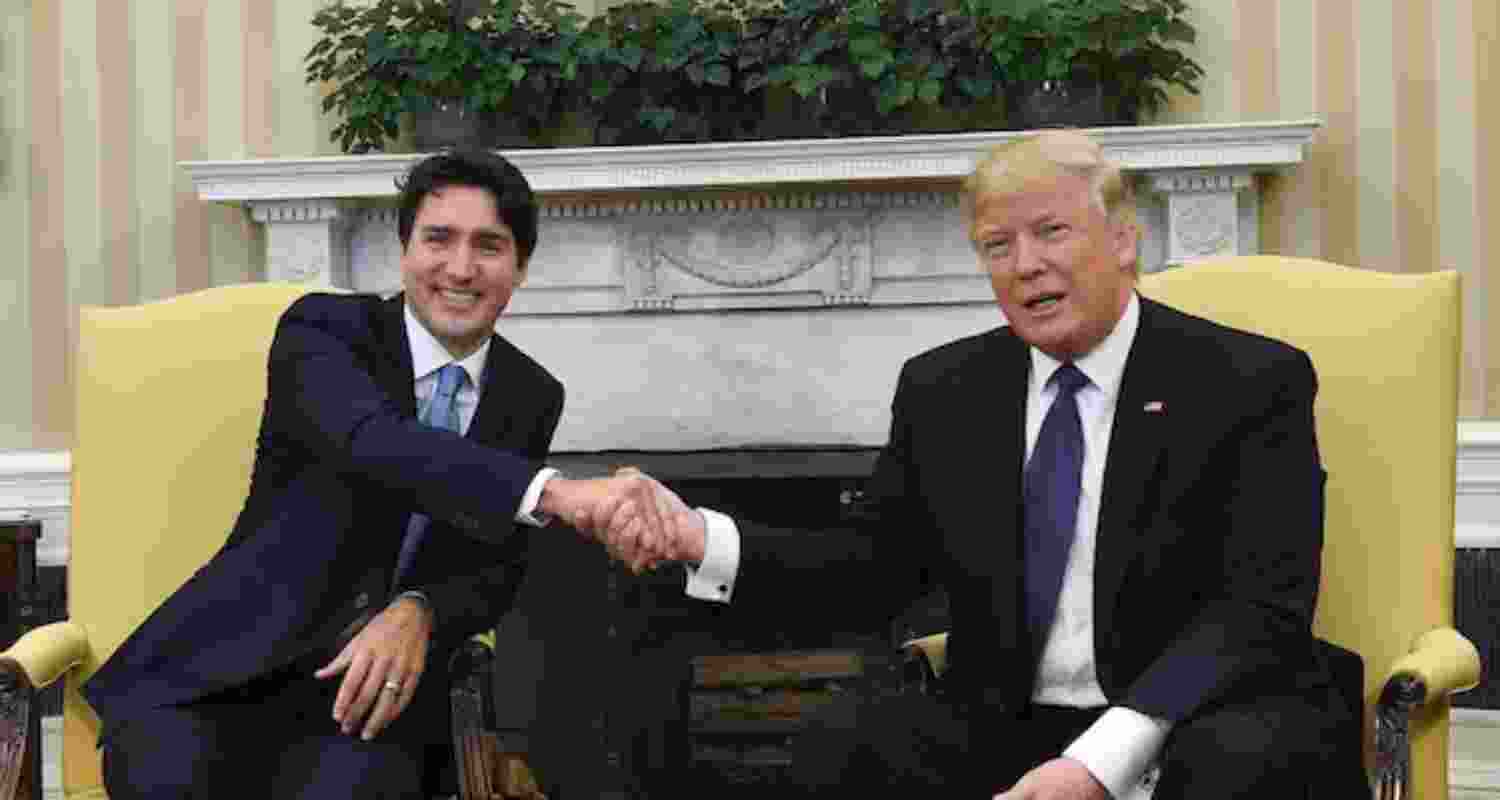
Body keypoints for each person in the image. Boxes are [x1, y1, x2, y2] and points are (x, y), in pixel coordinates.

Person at [583, 131, 1367, 798]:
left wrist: (1099, 763)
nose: (1026, 264)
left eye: (1052, 232)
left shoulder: (1246, 380)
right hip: (1008, 716)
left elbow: (1261, 607)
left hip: (1193, 711)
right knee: (845, 736)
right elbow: (868, 568)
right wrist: (699, 539)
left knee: (1244, 759)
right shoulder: (947, 388)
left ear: (1124, 241)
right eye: (999, 245)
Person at [84, 149, 667, 799]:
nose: (461, 268)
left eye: (489, 245)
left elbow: (493, 567)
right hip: (218, 676)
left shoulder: (530, 394)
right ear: (405, 249)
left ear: (521, 267)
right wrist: (556, 491)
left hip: (369, 702)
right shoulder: (324, 331)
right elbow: (374, 441)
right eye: (438, 238)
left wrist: (421, 609)